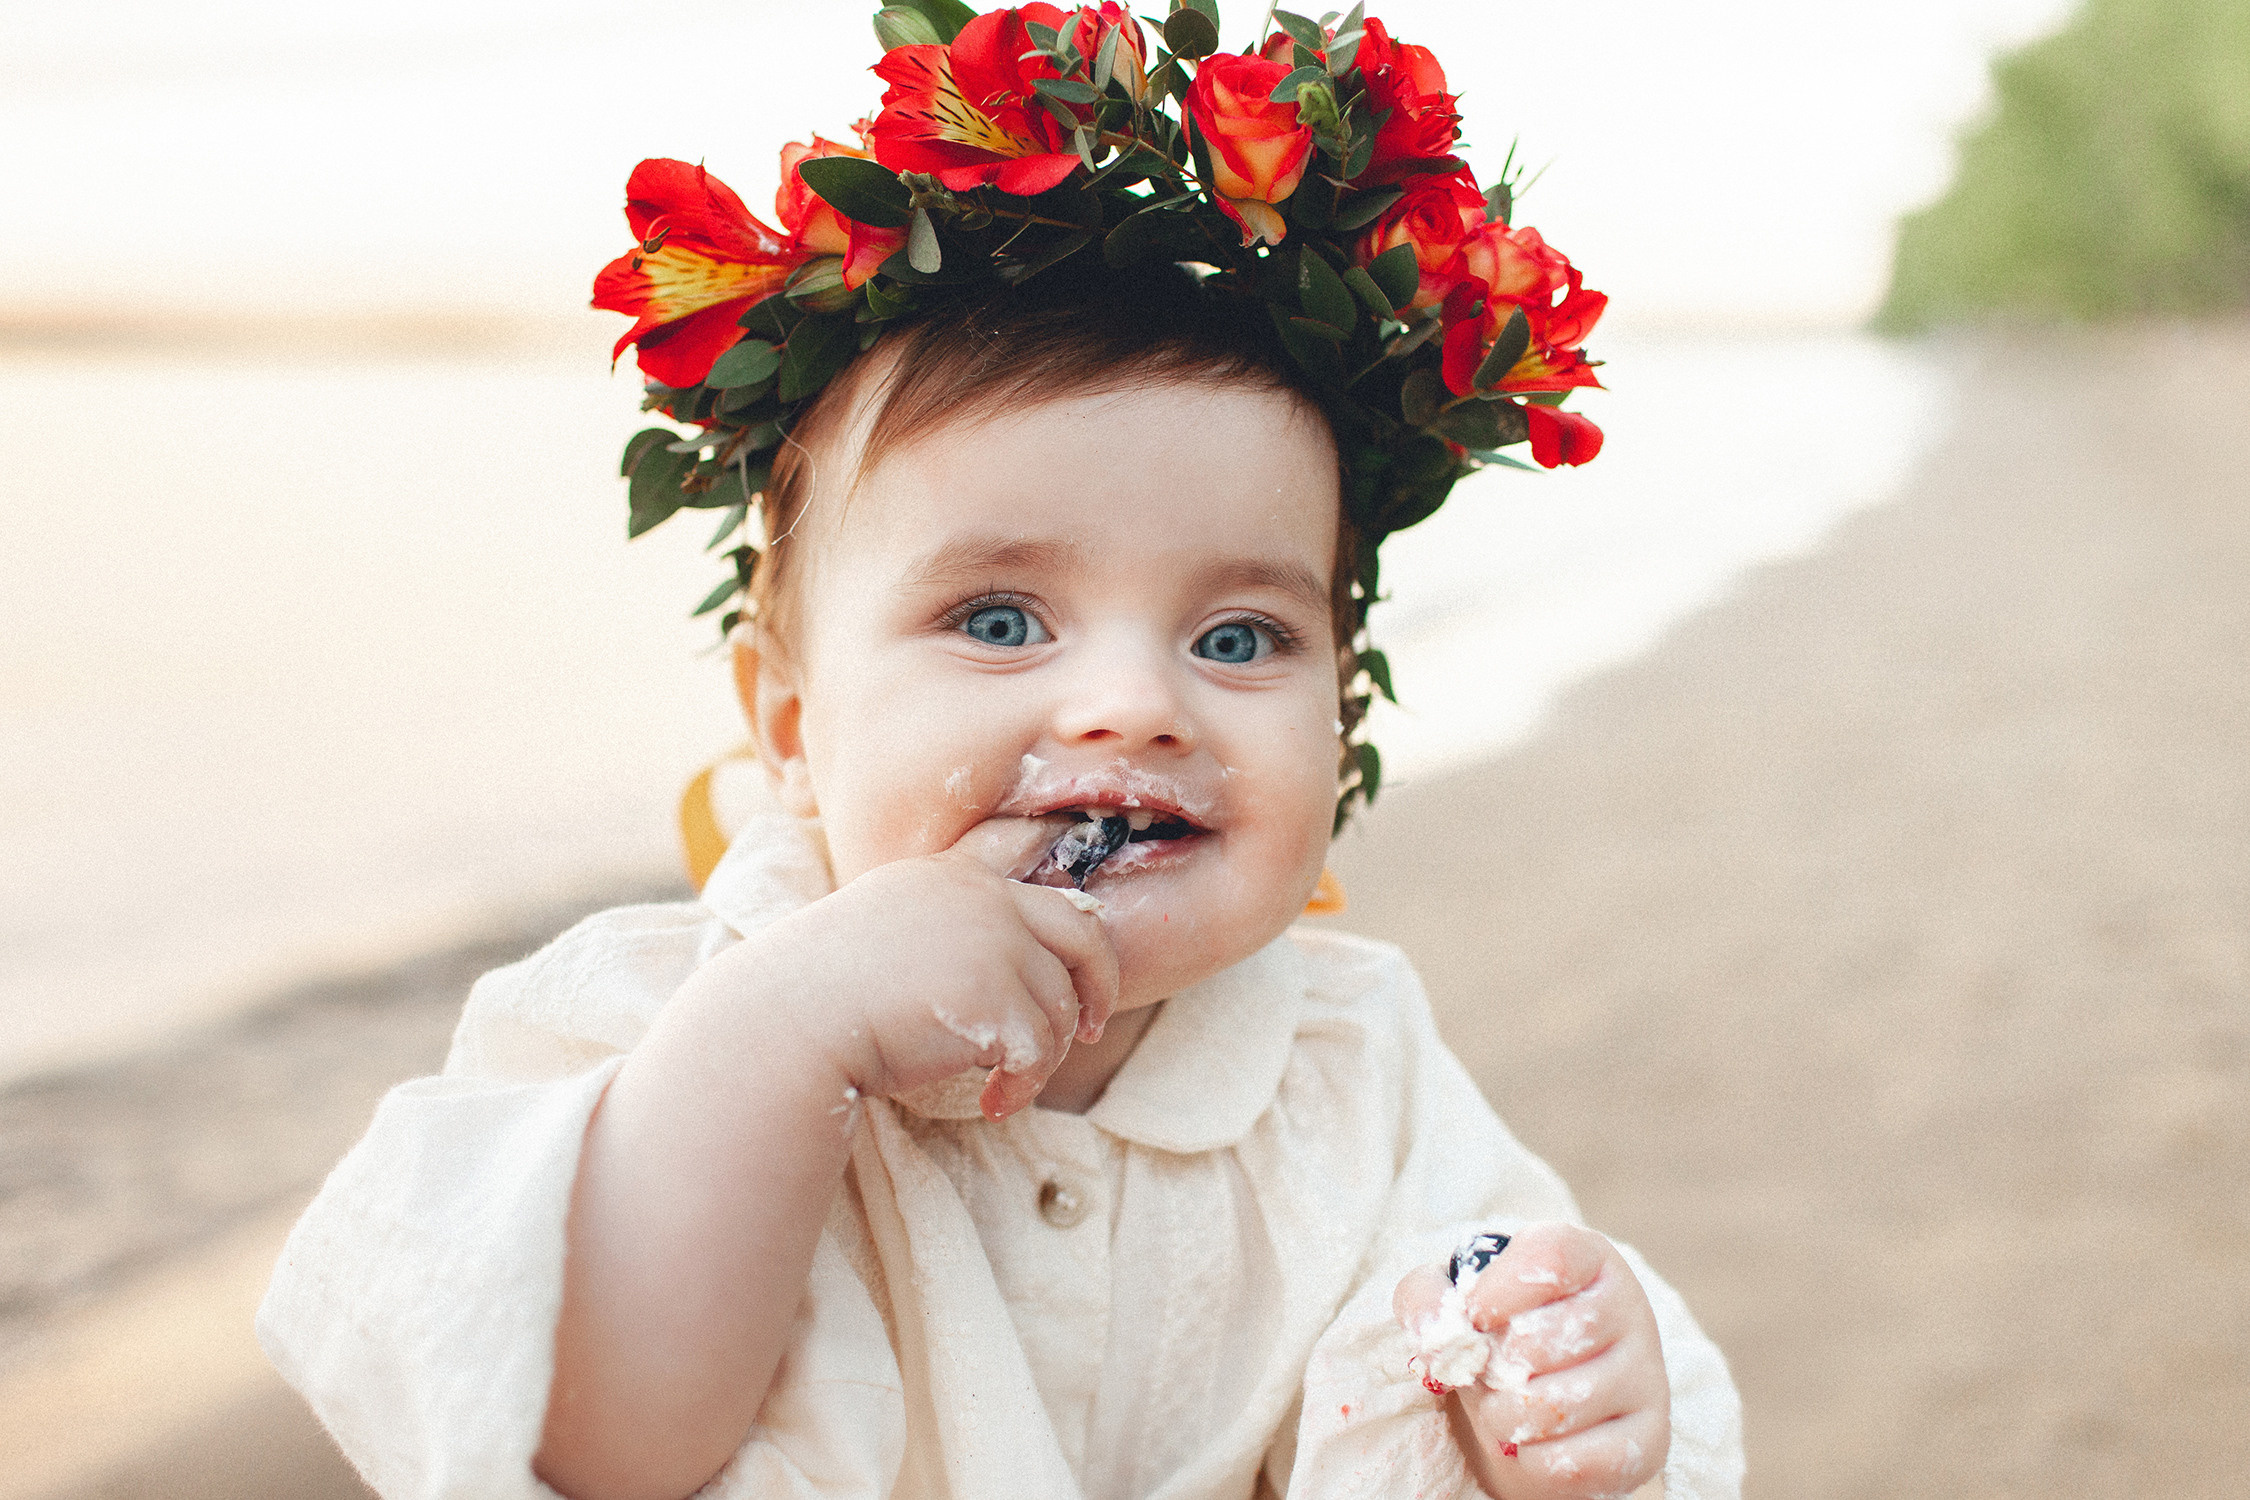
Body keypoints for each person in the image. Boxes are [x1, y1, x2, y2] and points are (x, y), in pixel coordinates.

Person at [258, 8, 1742, 1500]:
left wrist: (1525, 1397)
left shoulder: (1354, 1066)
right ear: (788, 725)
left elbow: (1453, 1318)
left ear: (1342, 713)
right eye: (997, 619)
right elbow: (595, 1439)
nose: (1133, 705)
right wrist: (788, 1031)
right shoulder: (678, 1022)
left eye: (1238, 638)